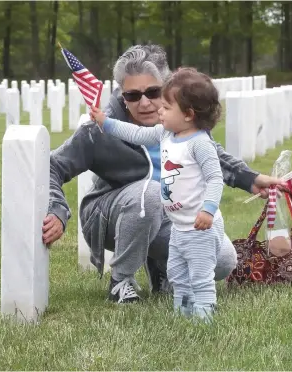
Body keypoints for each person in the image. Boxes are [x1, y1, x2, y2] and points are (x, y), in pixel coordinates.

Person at [42, 44, 282, 304]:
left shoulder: (181, 120)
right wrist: (57, 209)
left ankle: (163, 269)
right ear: (122, 95)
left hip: (170, 213)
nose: (144, 103)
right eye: (133, 95)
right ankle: (121, 280)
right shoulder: (100, 131)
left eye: (153, 92)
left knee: (222, 261)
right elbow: (52, 165)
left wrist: (251, 179)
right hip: (112, 218)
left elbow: (210, 156)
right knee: (153, 193)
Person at [89, 67, 226, 323]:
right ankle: (183, 313)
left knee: (199, 274)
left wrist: (208, 209)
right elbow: (135, 133)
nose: (158, 110)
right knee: (177, 272)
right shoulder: (164, 133)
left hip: (199, 227)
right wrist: (105, 122)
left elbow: (215, 178)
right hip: (178, 226)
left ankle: (205, 317)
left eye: (166, 107)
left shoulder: (201, 143)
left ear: (188, 114)